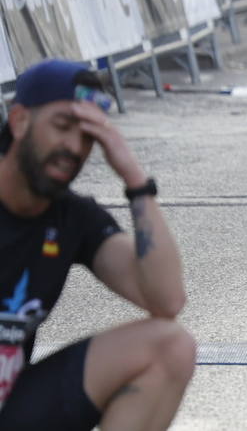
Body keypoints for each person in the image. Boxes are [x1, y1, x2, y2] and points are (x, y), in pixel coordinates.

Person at [0, 59, 194, 431]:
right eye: (62, 126)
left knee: (170, 348)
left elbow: (166, 300)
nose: (74, 147)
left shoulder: (72, 218)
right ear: (20, 120)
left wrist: (134, 178)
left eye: (89, 136)